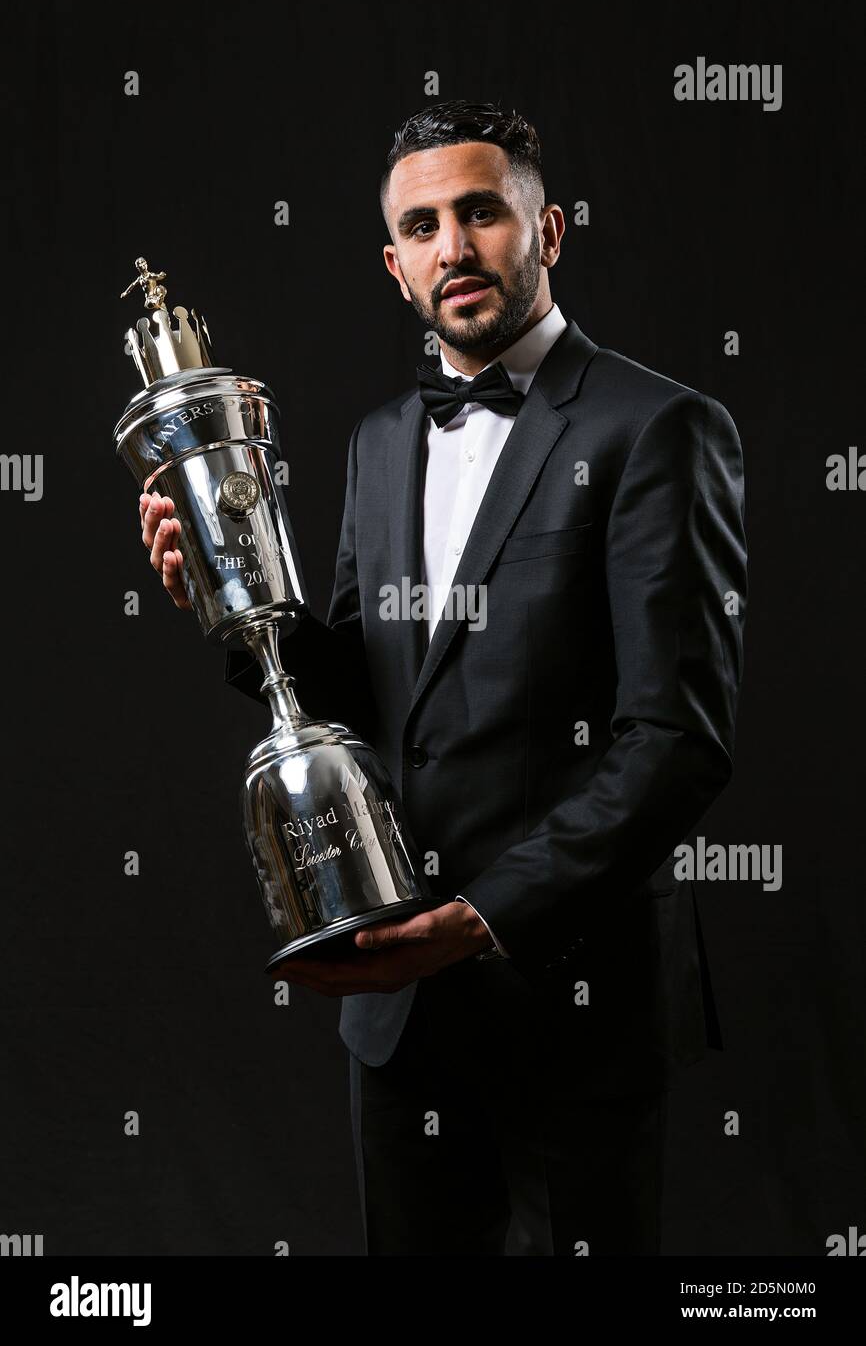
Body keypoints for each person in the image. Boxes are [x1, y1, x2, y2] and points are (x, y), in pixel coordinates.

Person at [139, 99, 747, 1256]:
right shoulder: (379, 439)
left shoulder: (658, 426)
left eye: (480, 212)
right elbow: (371, 693)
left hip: (574, 1002)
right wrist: (233, 612)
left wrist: (475, 921)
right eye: (421, 227)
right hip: (399, 1008)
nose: (452, 248)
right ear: (392, 263)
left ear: (547, 229)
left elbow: (675, 739)